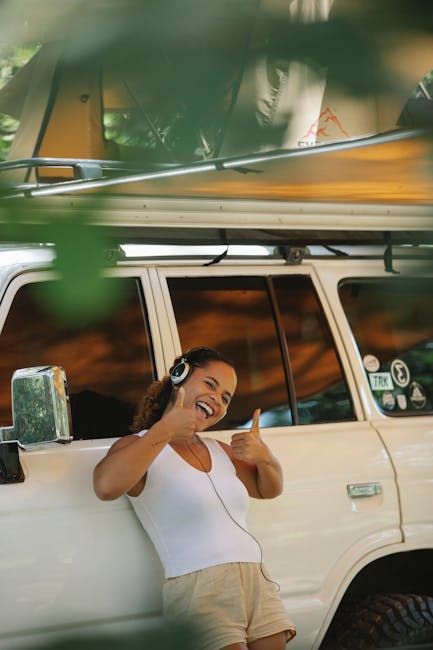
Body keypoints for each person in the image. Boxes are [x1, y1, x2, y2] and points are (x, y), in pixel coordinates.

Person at [93, 346, 296, 650]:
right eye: (210, 385)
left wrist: (266, 458)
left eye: (226, 397)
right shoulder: (140, 445)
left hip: (255, 580)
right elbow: (105, 486)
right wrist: (164, 430)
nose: (217, 399)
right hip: (200, 590)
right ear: (179, 376)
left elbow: (270, 489)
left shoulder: (219, 449)